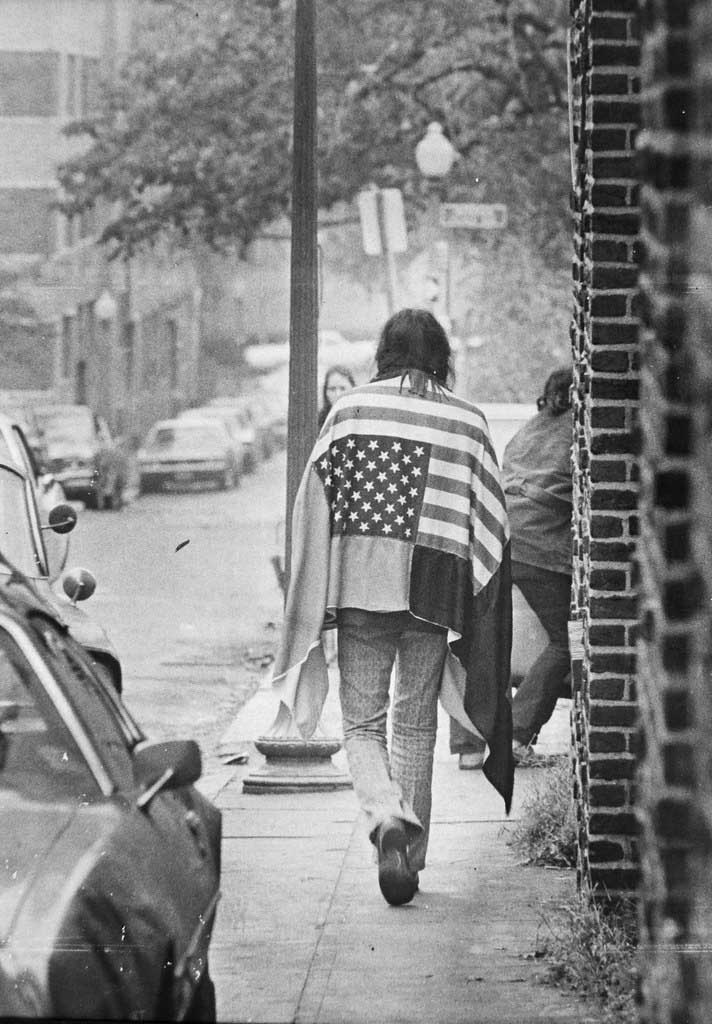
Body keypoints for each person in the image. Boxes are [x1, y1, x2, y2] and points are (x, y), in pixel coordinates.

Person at [271, 308, 514, 906]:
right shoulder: (469, 423)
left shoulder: (350, 411)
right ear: (442, 355)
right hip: (434, 594)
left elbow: (312, 508)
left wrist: (314, 594)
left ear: (383, 351)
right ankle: (409, 854)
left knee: (362, 724)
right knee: (415, 723)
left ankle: (386, 817)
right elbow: (492, 522)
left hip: (359, 591)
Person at [503, 367, 573, 765]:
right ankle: (515, 734)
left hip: (506, 538)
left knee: (492, 642)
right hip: (542, 547)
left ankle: (485, 738)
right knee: (568, 640)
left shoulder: (529, 428)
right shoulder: (576, 430)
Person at [318, 364, 356, 430]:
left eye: (343, 388)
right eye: (332, 389)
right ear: (325, 392)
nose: (338, 394)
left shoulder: (361, 418)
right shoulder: (319, 421)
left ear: (353, 389)